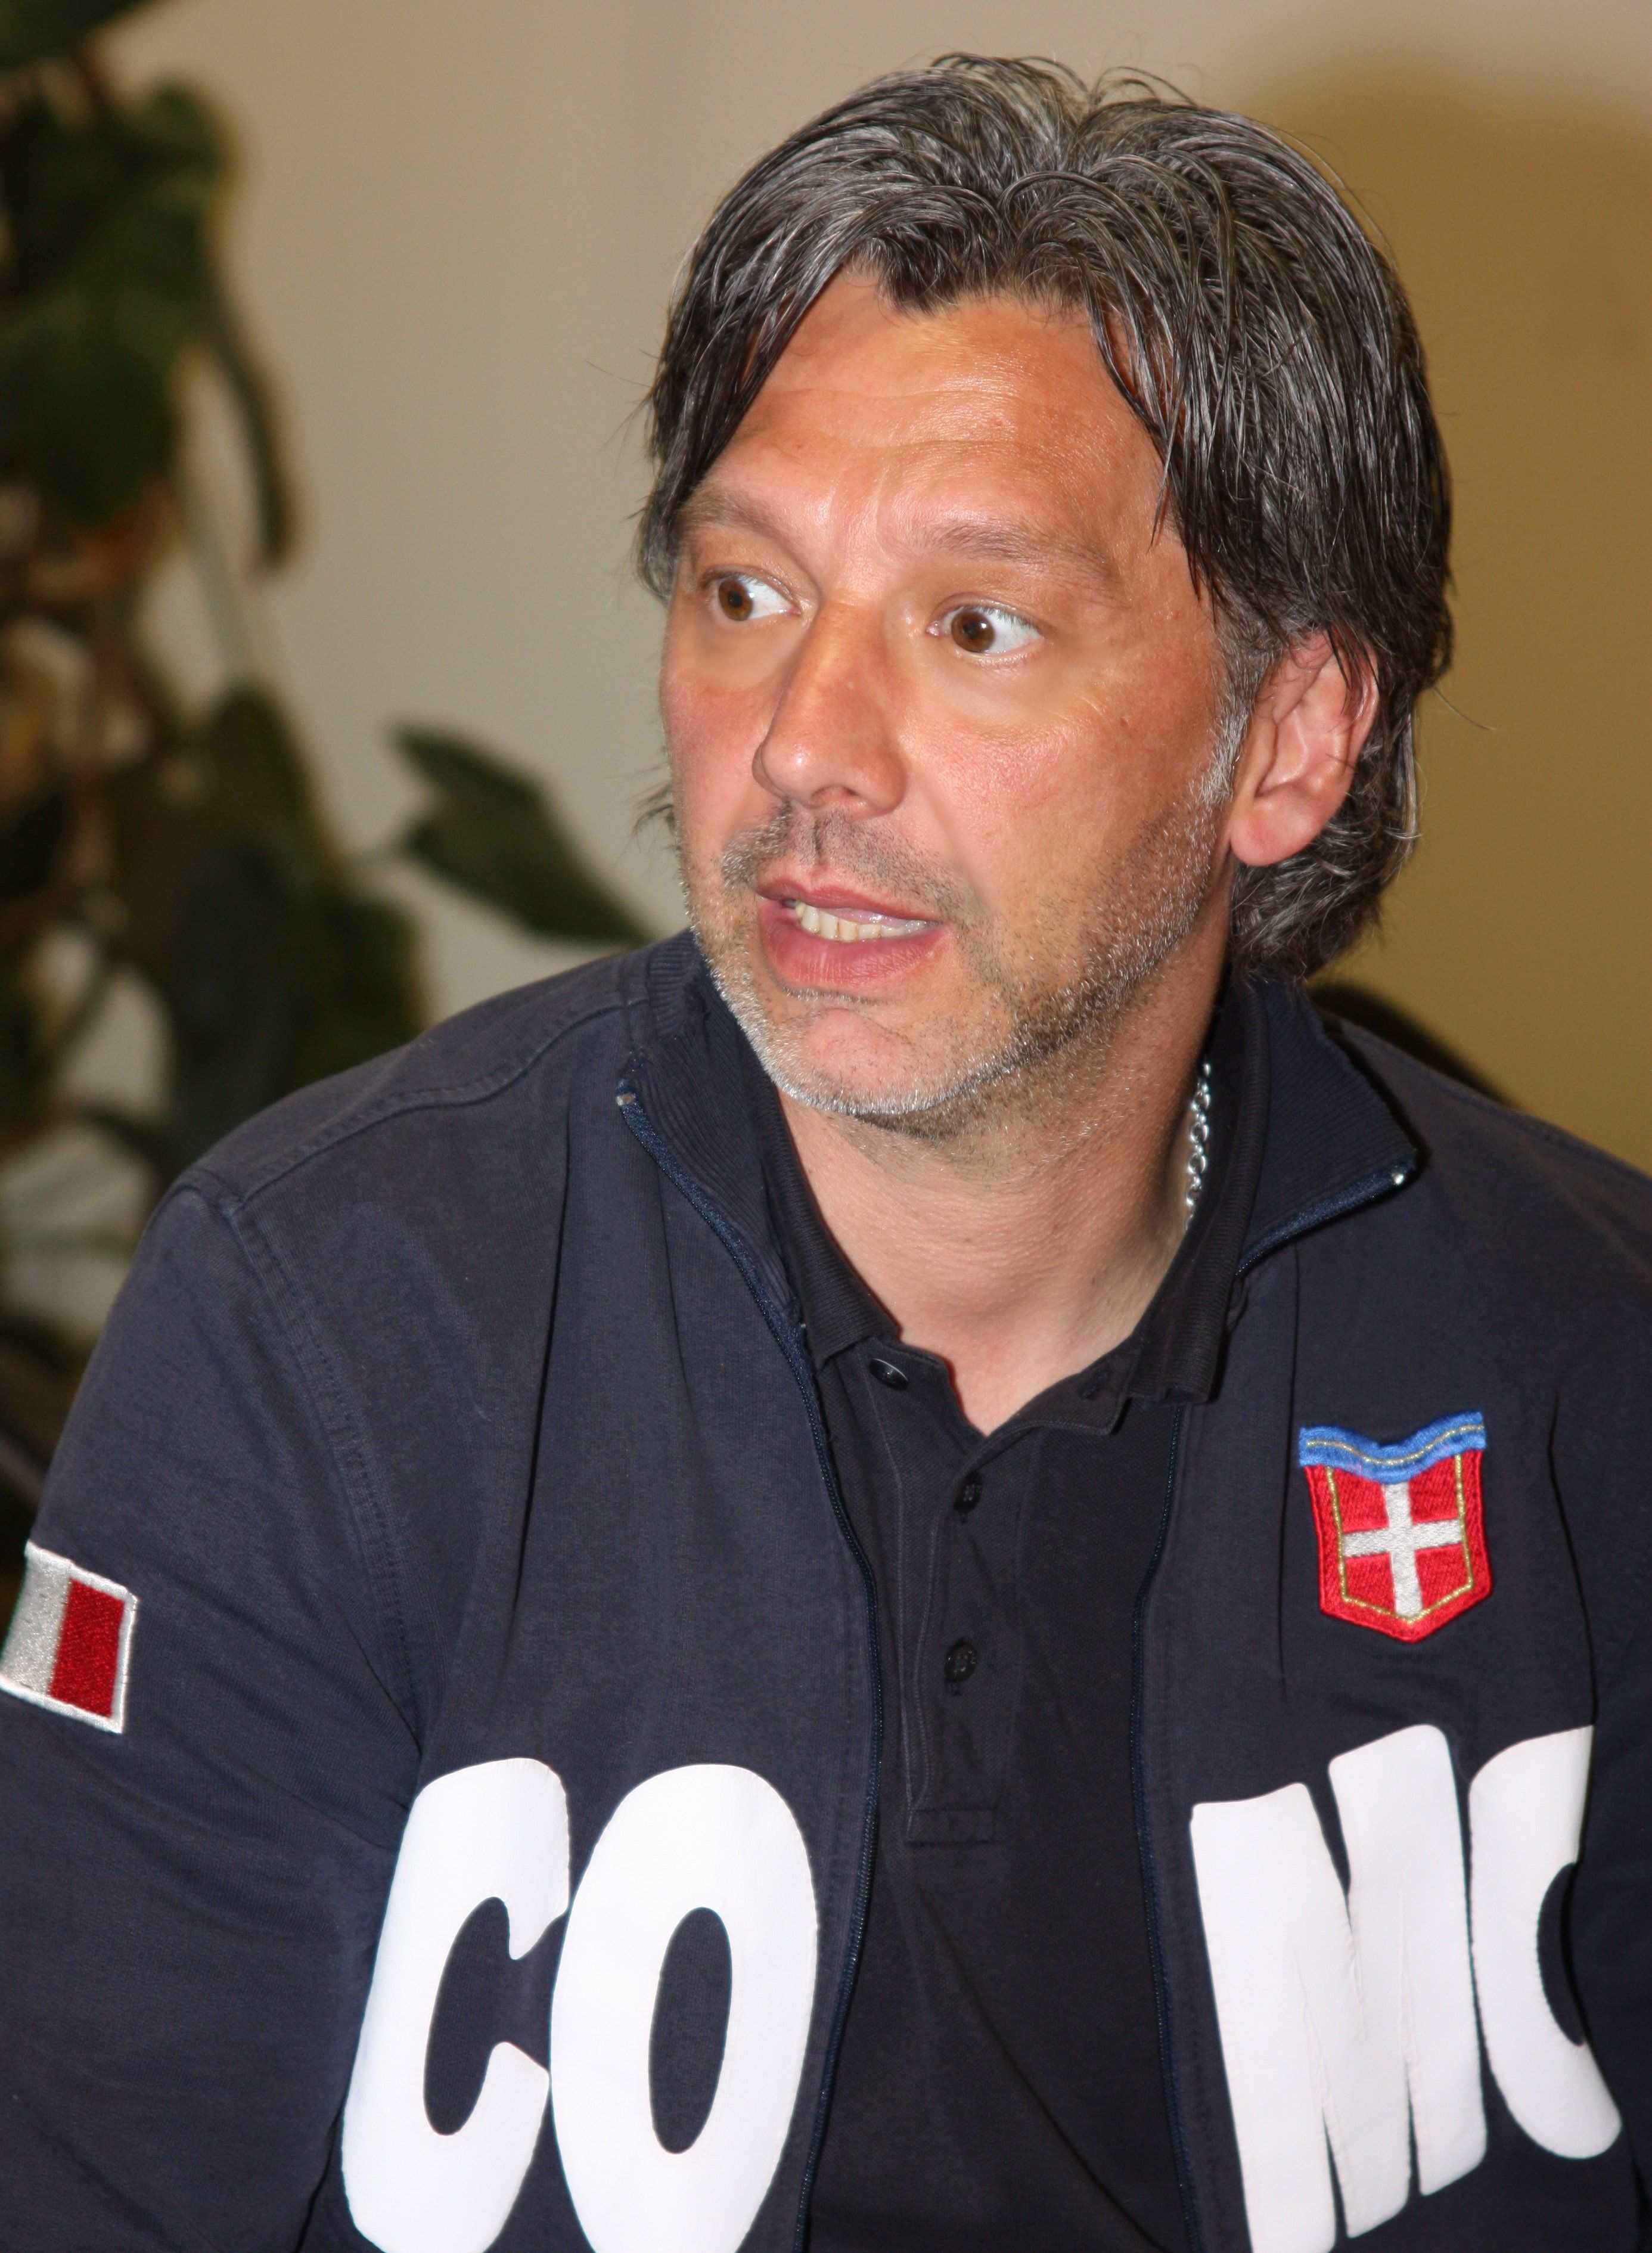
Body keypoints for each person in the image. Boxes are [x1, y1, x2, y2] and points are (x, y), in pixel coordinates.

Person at [0, 54, 1645, 2253]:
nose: (799, 750)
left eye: (975, 625)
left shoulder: (1581, 1368)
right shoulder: (324, 1329)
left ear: (1287, 740)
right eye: (743, 592)